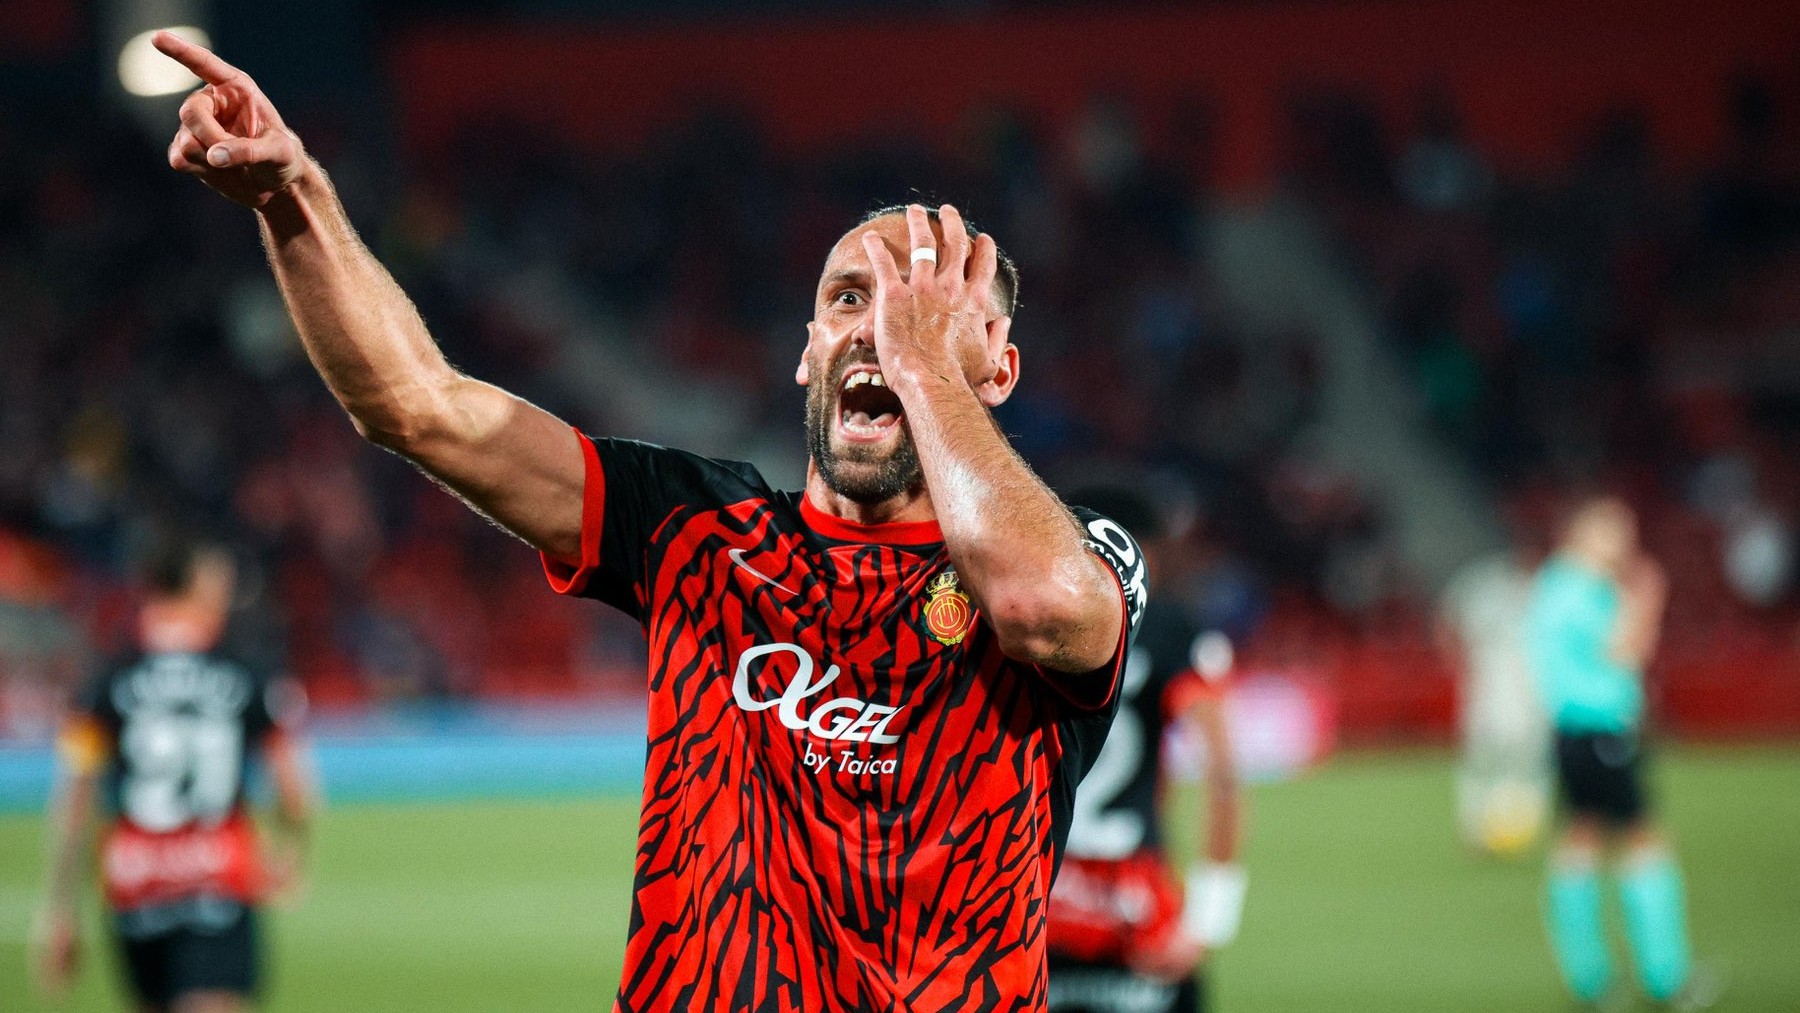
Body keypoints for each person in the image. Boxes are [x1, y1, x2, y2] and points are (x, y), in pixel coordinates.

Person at [151, 32, 1146, 1011]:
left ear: (999, 369)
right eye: (853, 298)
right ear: (807, 353)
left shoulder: (1083, 549)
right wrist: (293, 197)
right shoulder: (691, 524)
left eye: (924, 308)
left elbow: (1039, 605)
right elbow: (418, 406)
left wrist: (920, 362)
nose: (881, 326)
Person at [33, 537, 314, 1012]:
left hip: (135, 881)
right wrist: (292, 849)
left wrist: (59, 909)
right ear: (196, 589)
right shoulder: (245, 672)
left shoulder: (107, 679)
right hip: (215, 875)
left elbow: (74, 795)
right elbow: (294, 787)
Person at [1047, 488, 1244, 1013]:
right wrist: (1210, 919)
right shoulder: (1172, 627)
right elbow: (1223, 770)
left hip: (1038, 902)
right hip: (1137, 907)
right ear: (1141, 549)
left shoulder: (1023, 618)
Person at [1527, 496, 1705, 1009]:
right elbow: (1622, 650)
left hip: (1571, 732)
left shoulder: (1553, 587)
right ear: (1580, 534)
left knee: (1578, 840)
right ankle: (1665, 975)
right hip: (1600, 730)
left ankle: (1589, 976)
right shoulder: (1579, 591)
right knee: (1643, 842)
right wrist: (1647, 599)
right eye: (1612, 530)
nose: (1624, 542)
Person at [1439, 547, 1549, 857]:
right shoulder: (1483, 589)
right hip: (1488, 688)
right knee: (1482, 760)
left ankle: (1525, 828)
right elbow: (1449, 625)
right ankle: (1476, 828)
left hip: (1529, 691)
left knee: (1529, 762)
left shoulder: (1546, 591)